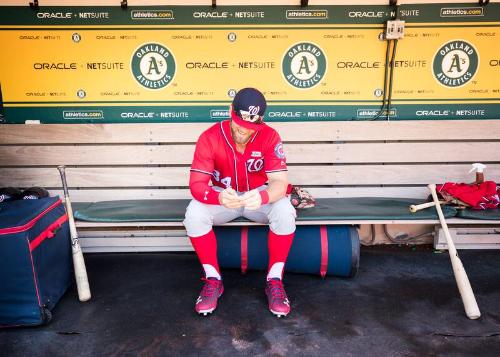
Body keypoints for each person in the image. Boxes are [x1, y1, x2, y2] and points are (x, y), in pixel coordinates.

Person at [183, 87, 297, 317]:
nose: (243, 131)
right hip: (224, 198)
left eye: (250, 127)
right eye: (239, 125)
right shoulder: (210, 137)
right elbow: (196, 184)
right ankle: (213, 279)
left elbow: (279, 182)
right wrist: (218, 197)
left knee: (285, 210)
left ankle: (274, 280)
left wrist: (264, 196)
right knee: (194, 214)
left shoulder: (270, 135)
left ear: (260, 119)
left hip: (257, 198)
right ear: (230, 111)